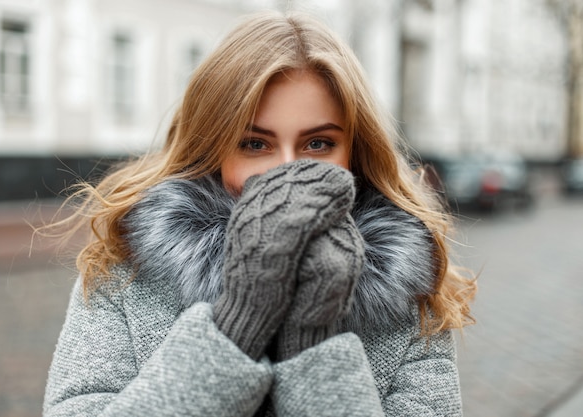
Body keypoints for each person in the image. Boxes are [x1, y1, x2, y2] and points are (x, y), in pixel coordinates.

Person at [43, 10, 476, 417]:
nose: (286, 171)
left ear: (355, 155)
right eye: (254, 144)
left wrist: (311, 345)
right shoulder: (127, 270)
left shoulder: (408, 293)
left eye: (318, 144)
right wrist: (236, 327)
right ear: (212, 149)